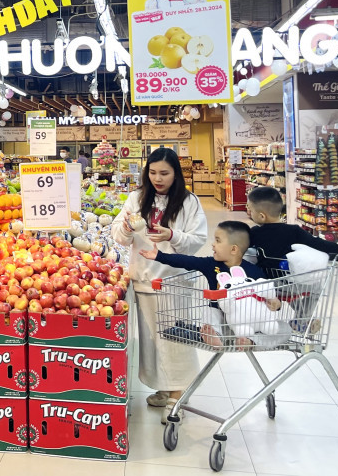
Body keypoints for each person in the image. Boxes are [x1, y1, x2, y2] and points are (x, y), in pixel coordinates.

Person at [112, 148, 207, 423]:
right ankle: (165, 388)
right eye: (153, 172)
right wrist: (127, 228)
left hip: (174, 281)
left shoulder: (188, 202)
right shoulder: (137, 198)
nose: (158, 178)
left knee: (176, 340)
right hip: (143, 278)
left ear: (176, 173)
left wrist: (172, 235)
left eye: (164, 173)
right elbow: (118, 236)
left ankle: (177, 394)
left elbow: (198, 239)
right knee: (153, 342)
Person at [139, 221, 272, 349]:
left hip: (245, 319)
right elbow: (187, 261)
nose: (213, 244)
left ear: (233, 249)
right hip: (221, 319)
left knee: (275, 331)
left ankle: (249, 341)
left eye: (218, 241)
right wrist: (160, 256)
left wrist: (274, 304)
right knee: (210, 311)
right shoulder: (211, 264)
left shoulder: (254, 272)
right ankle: (215, 336)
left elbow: (268, 291)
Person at [246, 186, 338, 270]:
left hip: (264, 276)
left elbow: (241, 245)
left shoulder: (255, 232)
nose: (249, 212)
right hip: (291, 277)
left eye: (251, 210)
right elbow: (317, 243)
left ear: (262, 216)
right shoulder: (294, 231)